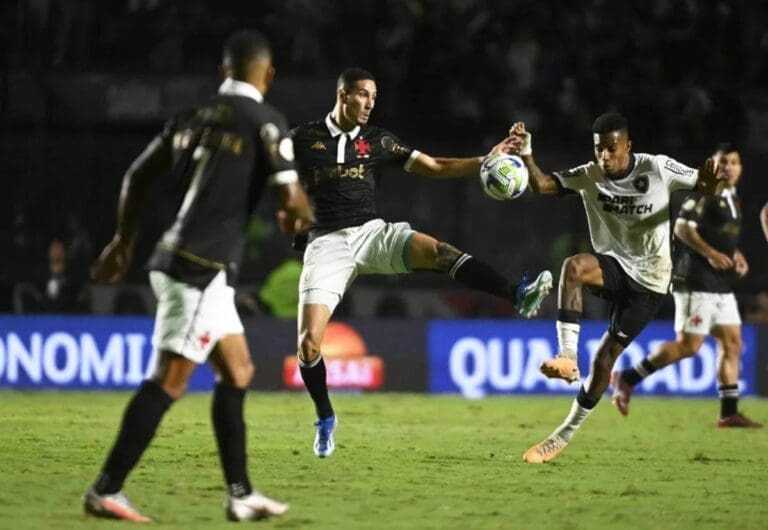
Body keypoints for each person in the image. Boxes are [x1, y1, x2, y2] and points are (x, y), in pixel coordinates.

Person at [84, 30, 314, 522]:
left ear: (222, 71)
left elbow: (136, 177)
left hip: (187, 261)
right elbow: (293, 201)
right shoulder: (266, 122)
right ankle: (106, 489)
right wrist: (302, 217)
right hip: (199, 268)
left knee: (238, 371)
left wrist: (122, 242)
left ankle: (241, 493)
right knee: (169, 381)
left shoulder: (189, 117)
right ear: (268, 75)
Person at [290, 67, 553, 458]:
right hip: (326, 243)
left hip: (370, 233)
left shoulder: (378, 140)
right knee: (309, 344)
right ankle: (326, 417)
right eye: (363, 95)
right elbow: (269, 175)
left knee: (438, 252)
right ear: (343, 94)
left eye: (374, 97)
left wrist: (487, 158)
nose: (369, 104)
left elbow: (433, 166)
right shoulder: (302, 139)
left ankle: (517, 293)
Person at [508, 112, 722, 463]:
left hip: (651, 283)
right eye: (599, 150)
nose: (604, 158)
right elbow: (544, 186)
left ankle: (563, 435)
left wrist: (713, 183)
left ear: (628, 146)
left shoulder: (658, 168)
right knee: (574, 267)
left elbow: (705, 185)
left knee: (605, 360)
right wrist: (528, 154)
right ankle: (566, 357)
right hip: (614, 267)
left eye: (611, 149)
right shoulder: (589, 175)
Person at [612, 144, 761, 427]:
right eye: (722, 162)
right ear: (712, 166)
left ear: (740, 168)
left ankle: (728, 412)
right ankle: (627, 377)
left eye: (733, 162)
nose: (728, 167)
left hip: (720, 284)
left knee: (732, 342)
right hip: (695, 281)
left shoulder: (733, 198)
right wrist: (712, 254)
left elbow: (719, 236)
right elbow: (682, 227)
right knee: (689, 346)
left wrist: (734, 255)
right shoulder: (706, 194)